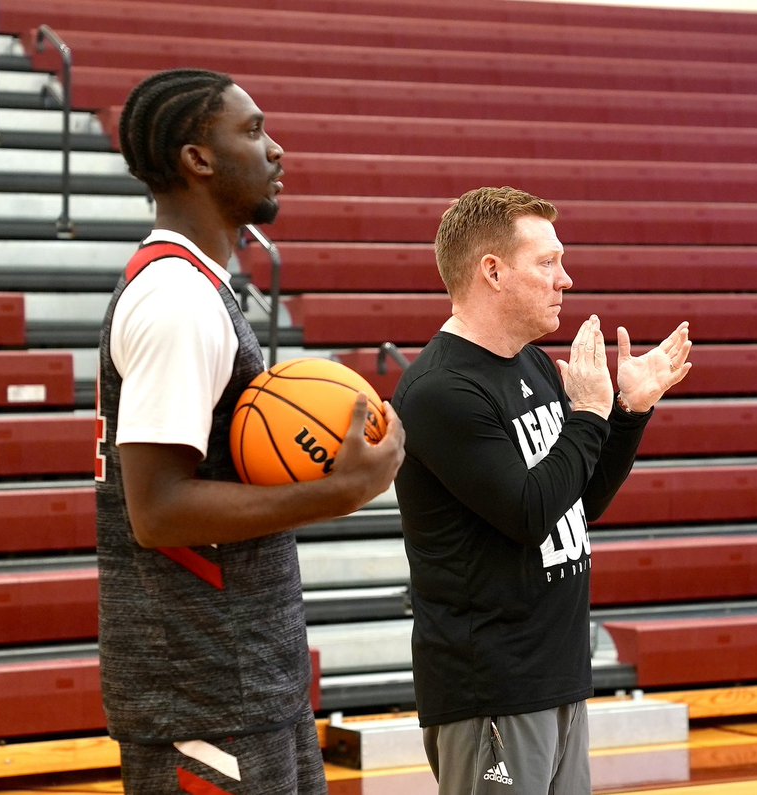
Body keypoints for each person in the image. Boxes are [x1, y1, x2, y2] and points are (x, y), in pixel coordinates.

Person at [94, 68, 405, 795]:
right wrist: (342, 489)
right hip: (203, 684)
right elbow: (158, 511)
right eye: (254, 129)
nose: (277, 149)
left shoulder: (199, 289)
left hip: (246, 679)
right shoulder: (176, 300)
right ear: (197, 159)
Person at [392, 186, 691, 794]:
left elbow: (571, 508)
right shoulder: (441, 391)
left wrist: (627, 414)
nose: (567, 279)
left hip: (556, 672)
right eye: (548, 262)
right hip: (492, 688)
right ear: (493, 272)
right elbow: (529, 512)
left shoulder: (528, 363)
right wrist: (587, 413)